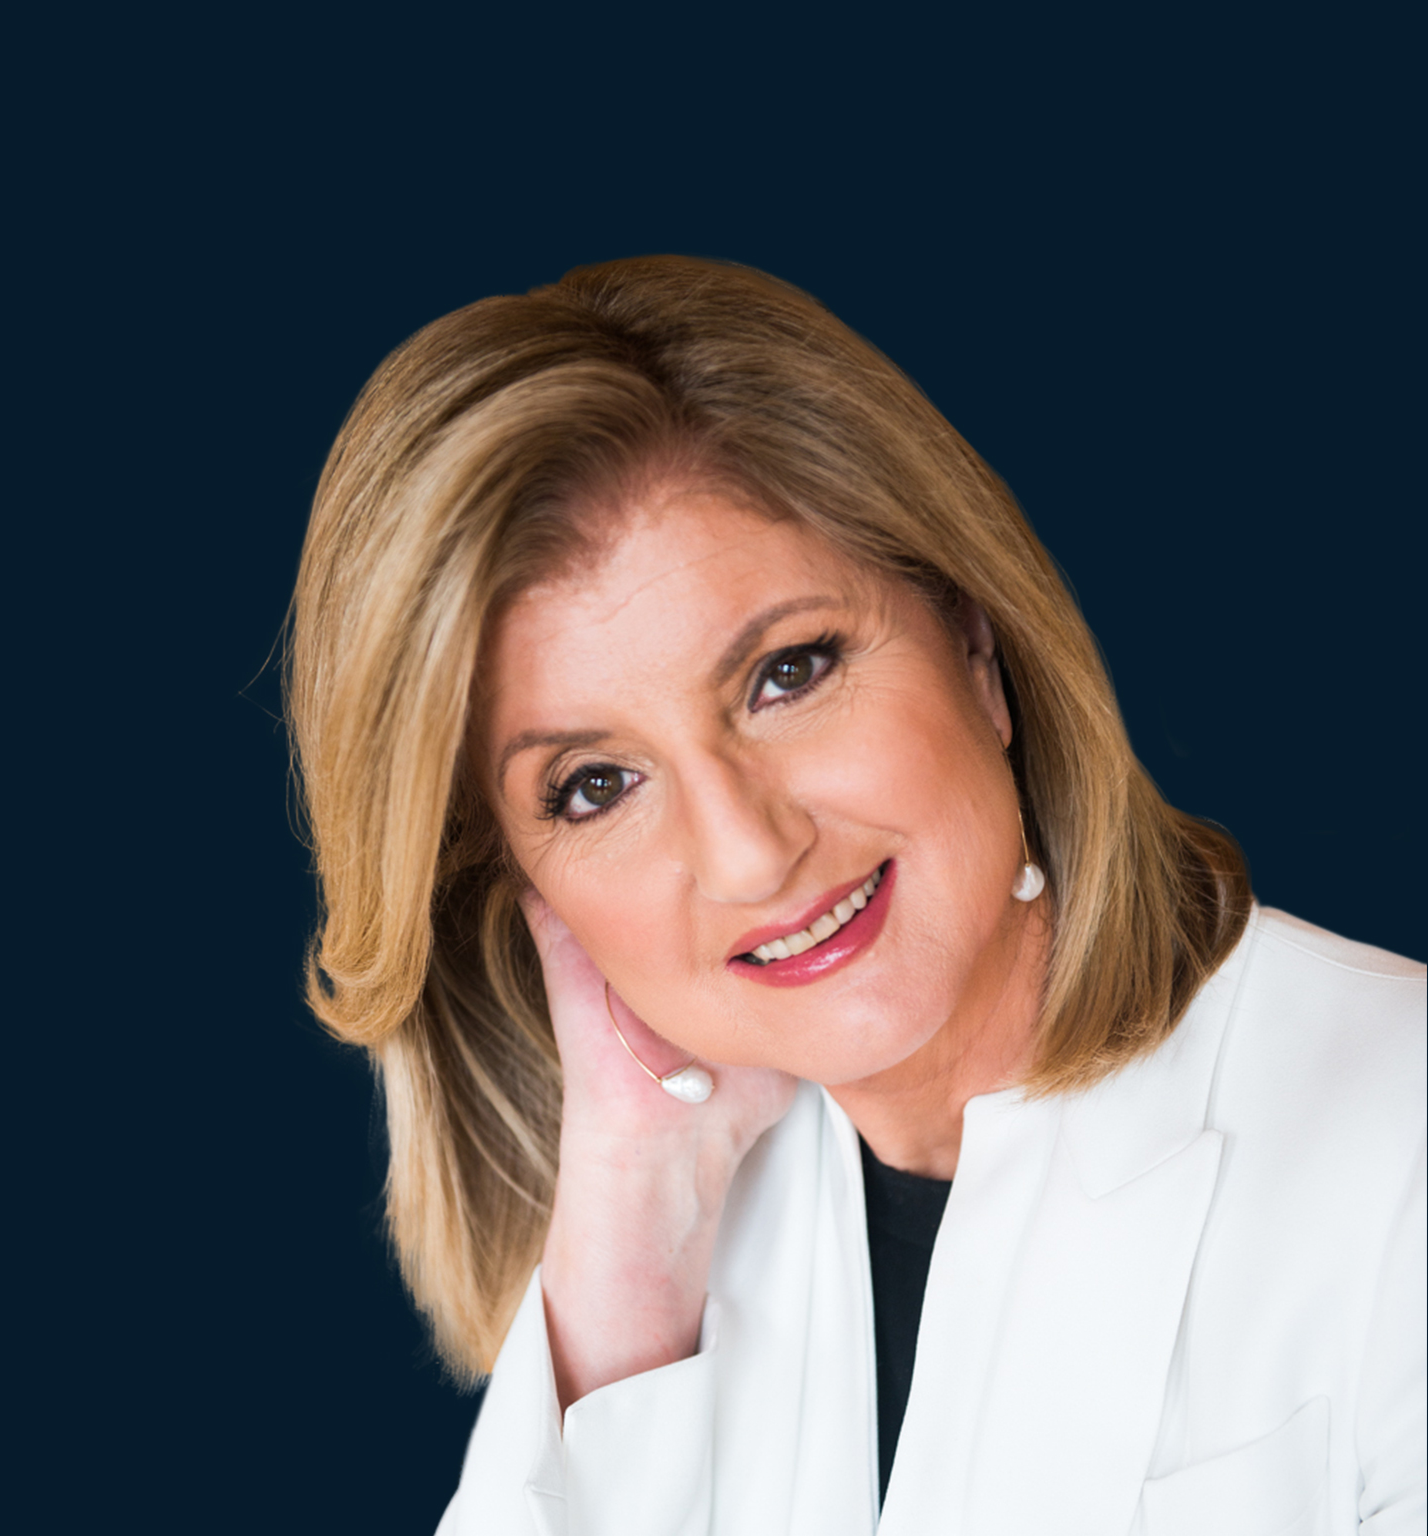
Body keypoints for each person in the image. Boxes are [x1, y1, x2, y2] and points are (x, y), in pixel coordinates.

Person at [285, 256, 1424, 1534]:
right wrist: (629, 1219)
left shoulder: (1401, 1140)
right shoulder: (670, 1256)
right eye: (597, 786)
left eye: (788, 673)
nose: (748, 851)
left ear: (973, 641)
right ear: (518, 884)